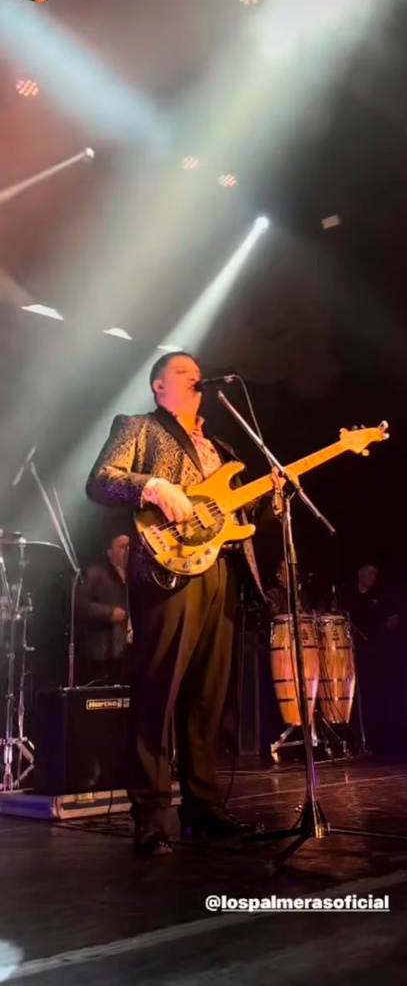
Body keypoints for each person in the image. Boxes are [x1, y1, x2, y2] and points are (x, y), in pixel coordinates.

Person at [86, 352, 282, 855]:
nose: (194, 376)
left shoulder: (222, 446)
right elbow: (101, 480)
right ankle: (150, 816)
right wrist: (152, 485)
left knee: (207, 696)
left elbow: (237, 516)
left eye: (197, 371)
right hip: (166, 568)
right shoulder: (139, 427)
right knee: (158, 691)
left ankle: (203, 807)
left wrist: (273, 497)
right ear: (158, 386)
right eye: (181, 371)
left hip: (222, 570)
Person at [76, 534, 131, 685]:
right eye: (122, 547)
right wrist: (110, 613)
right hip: (105, 651)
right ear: (110, 553)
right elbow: (81, 605)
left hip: (130, 652)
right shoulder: (95, 574)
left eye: (129, 547)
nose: (127, 551)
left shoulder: (138, 575)